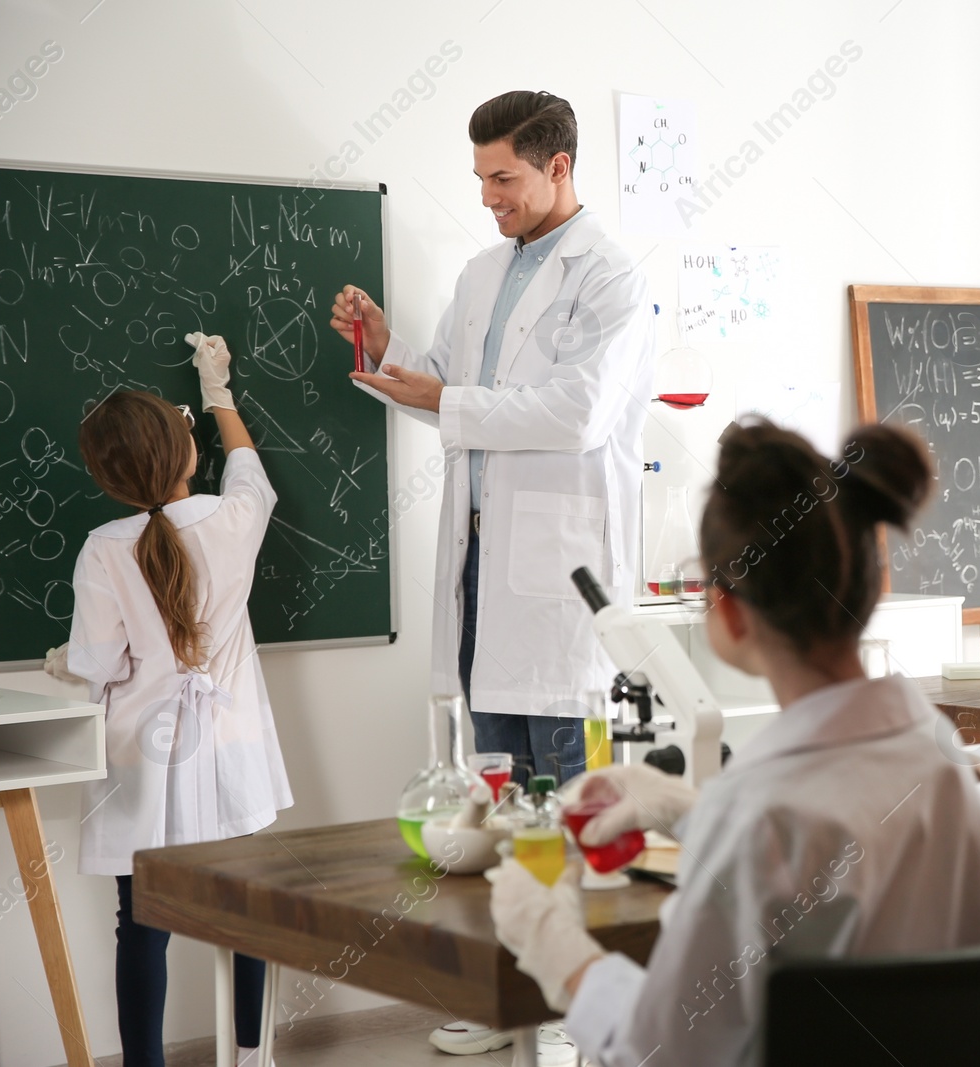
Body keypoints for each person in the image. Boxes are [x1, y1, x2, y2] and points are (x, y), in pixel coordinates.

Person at [487, 419, 980, 1067]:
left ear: (730, 610)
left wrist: (558, 950)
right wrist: (690, 811)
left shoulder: (758, 813)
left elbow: (663, 1051)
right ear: (867, 584)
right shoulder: (933, 755)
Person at [330, 89, 652, 1060]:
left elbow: (576, 414)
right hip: (480, 581)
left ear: (559, 167)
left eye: (503, 179)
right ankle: (507, 989)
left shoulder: (614, 277)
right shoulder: (482, 273)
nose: (488, 199)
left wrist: (450, 393)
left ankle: (569, 1003)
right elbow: (444, 385)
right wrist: (385, 349)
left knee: (562, 801)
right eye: (479, 179)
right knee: (493, 803)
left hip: (558, 587)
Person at [47, 334, 291, 1067]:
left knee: (142, 922)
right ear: (185, 450)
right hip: (231, 747)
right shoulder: (227, 519)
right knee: (245, 907)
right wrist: (217, 391)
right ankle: (251, 1056)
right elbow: (251, 473)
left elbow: (99, 662)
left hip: (143, 762)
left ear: (108, 478)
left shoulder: (103, 547)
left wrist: (63, 662)